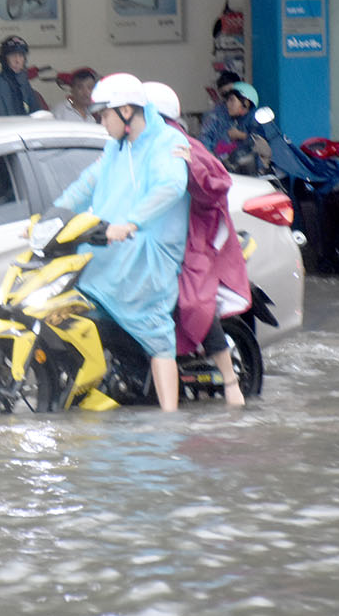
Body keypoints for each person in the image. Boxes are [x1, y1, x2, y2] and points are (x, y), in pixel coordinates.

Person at [57, 73, 190, 411]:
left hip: (149, 253)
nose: (101, 122)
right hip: (108, 247)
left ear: (127, 111)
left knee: (157, 336)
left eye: (104, 115)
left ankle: (169, 418)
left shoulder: (165, 144)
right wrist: (53, 214)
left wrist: (130, 223)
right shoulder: (117, 147)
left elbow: (170, 187)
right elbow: (87, 182)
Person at [144, 82, 249, 408]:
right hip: (154, 238)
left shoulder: (183, 146)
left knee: (193, 302)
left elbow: (216, 185)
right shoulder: (134, 150)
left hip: (197, 239)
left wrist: (191, 165)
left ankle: (230, 382)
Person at [203, 81, 260, 167]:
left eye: (232, 100)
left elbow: (262, 142)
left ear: (246, 103)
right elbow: (205, 138)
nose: (228, 104)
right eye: (228, 100)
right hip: (221, 167)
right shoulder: (219, 116)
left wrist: (242, 136)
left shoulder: (254, 118)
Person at [197, 71, 244, 153]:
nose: (229, 98)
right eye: (225, 94)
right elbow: (204, 140)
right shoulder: (214, 115)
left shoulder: (250, 113)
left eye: (233, 93)